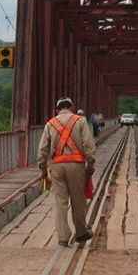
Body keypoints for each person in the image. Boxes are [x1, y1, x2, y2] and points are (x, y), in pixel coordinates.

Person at [37, 97, 96, 246]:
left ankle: (63, 237)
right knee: (78, 201)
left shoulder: (50, 123)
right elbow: (88, 144)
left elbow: (42, 149)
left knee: (60, 202)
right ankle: (81, 233)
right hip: (76, 166)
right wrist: (91, 163)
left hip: (56, 166)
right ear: (72, 107)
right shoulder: (80, 120)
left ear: (57, 109)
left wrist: (43, 169)